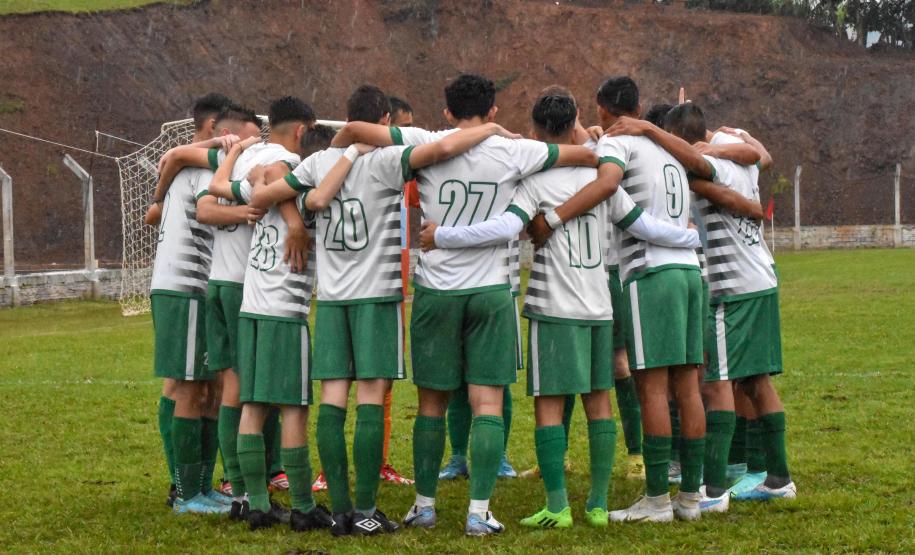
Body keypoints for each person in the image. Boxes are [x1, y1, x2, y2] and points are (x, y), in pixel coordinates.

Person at [421, 88, 701, 529]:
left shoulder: (535, 182)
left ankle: (557, 506)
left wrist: (442, 236)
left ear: (535, 132)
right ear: (575, 122)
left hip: (553, 306)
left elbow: (504, 227)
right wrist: (689, 237)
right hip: (599, 307)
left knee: (549, 406)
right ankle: (597, 504)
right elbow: (644, 225)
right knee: (599, 403)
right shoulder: (603, 178)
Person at [331, 73, 597, 535]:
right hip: (491, 290)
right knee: (487, 402)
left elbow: (356, 130)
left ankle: (425, 506)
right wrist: (584, 132)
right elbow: (586, 155)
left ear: (448, 111)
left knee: (431, 403)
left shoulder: (425, 139)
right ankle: (478, 511)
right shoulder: (517, 150)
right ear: (493, 110)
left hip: (436, 290)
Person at [527, 76, 707, 522]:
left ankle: (657, 500)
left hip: (650, 274)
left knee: (651, 386)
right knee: (687, 386)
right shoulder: (669, 148)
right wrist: (688, 239)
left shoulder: (615, 146)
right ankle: (690, 497)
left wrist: (551, 218)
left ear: (602, 110)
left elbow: (608, 185)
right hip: (689, 273)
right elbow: (702, 170)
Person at [144, 92, 233, 515]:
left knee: (202, 386)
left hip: (191, 288)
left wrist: (161, 198)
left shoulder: (192, 163)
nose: (241, 141)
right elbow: (177, 156)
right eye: (235, 132)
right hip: (184, 288)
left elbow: (155, 210)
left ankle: (196, 485)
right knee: (190, 388)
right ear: (215, 127)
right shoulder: (203, 163)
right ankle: (185, 492)